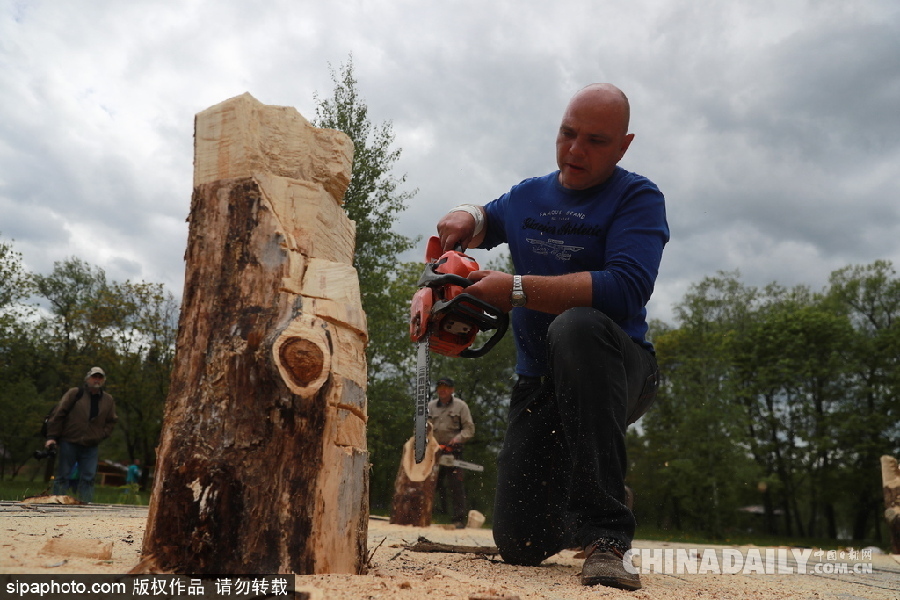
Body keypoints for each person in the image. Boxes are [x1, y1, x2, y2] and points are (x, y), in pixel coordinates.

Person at [435, 83, 669, 590]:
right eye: (567, 133)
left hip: (619, 368)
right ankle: (581, 490)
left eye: (595, 140)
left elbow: (625, 288)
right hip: (541, 382)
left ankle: (607, 535)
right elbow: (485, 219)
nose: (575, 149)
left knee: (577, 325)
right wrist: (466, 215)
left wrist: (515, 289)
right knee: (520, 544)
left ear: (624, 145)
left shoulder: (638, 198)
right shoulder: (528, 196)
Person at [44, 367, 118, 503]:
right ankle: (57, 504)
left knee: (89, 477)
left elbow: (111, 420)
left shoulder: (108, 400)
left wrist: (102, 434)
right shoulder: (75, 393)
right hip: (69, 440)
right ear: (87, 378)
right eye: (94, 377)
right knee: (63, 476)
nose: (97, 380)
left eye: (100, 377)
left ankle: (85, 506)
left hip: (91, 444)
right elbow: (58, 414)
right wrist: (52, 437)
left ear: (103, 380)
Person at [427, 377, 475, 529]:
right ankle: (424, 515)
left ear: (452, 390)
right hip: (433, 451)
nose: (443, 390)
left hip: (452, 451)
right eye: (440, 387)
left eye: (446, 387)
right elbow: (421, 427)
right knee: (427, 484)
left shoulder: (461, 406)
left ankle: (459, 519)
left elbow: (469, 429)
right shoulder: (430, 406)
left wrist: (457, 439)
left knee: (455, 485)